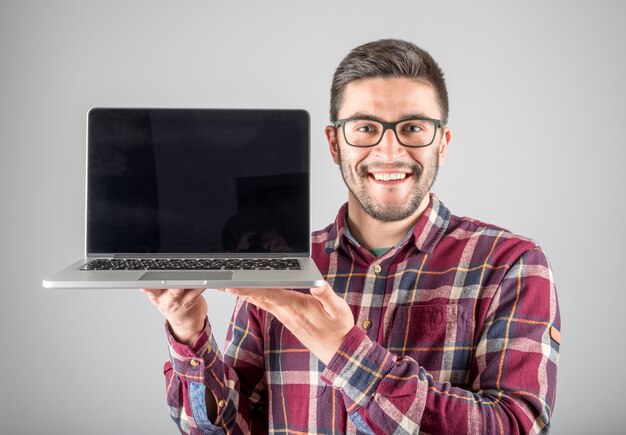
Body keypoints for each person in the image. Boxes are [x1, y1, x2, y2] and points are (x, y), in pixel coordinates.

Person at [141, 39, 560, 434]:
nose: (390, 151)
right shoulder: (282, 268)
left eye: (413, 127)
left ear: (442, 144)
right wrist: (188, 332)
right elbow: (231, 428)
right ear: (334, 143)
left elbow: (516, 425)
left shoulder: (511, 265)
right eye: (365, 128)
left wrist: (345, 350)